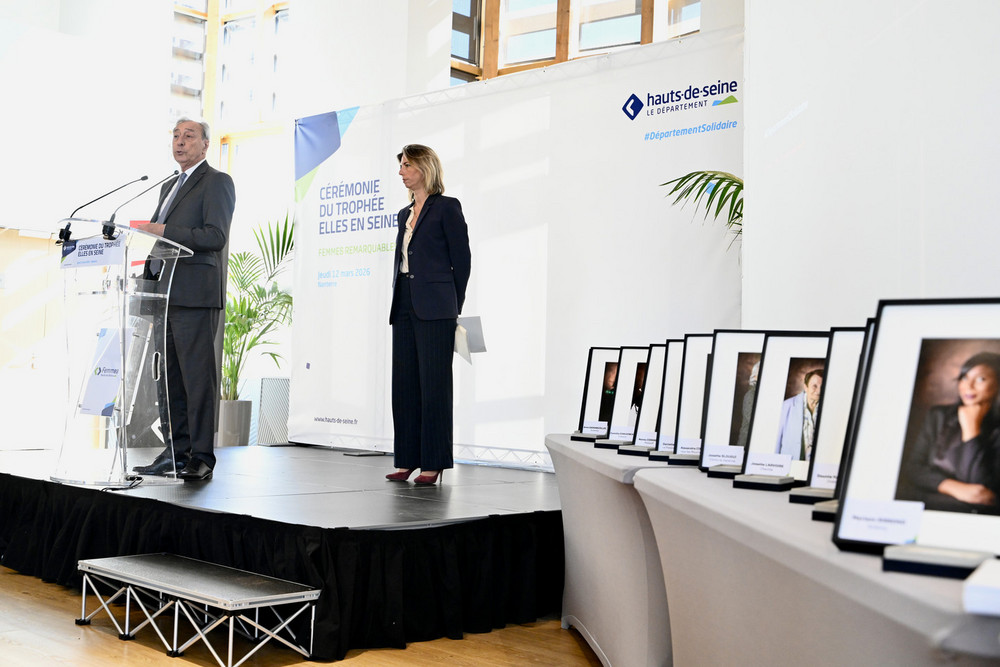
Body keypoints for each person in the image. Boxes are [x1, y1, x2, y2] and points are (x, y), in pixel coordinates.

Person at [133, 117, 236, 481]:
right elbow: (160, 240)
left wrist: (164, 230)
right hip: (163, 295)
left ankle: (202, 455)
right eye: (176, 135)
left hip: (194, 296)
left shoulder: (217, 182)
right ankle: (176, 452)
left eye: (188, 136)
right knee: (169, 380)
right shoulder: (169, 186)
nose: (180, 141)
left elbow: (214, 236)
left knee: (197, 379)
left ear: (205, 144)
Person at [385, 145, 471, 485]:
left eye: (407, 165)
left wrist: (452, 305)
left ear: (424, 167)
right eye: (401, 166)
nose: (401, 171)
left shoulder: (447, 207)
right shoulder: (403, 214)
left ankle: (433, 463)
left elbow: (462, 261)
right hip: (404, 302)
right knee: (404, 385)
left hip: (437, 307)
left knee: (434, 386)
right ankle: (407, 459)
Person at [899, 352, 1000, 509]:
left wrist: (971, 429)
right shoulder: (938, 415)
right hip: (929, 502)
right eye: (964, 378)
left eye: (980, 379)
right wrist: (952, 487)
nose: (968, 386)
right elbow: (913, 468)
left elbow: (981, 491)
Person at [775, 368, 824, 461]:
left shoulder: (829, 408)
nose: (818, 391)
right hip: (791, 462)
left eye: (822, 386)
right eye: (814, 386)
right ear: (806, 387)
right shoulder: (787, 405)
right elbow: (777, 439)